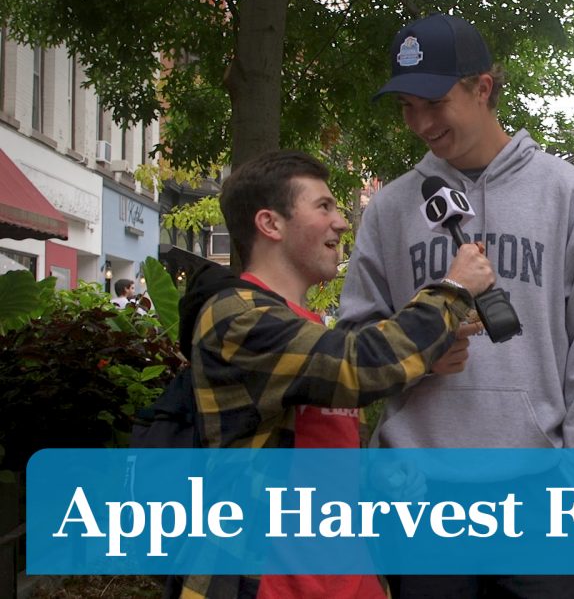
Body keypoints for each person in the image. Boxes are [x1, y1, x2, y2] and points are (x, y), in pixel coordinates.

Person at [338, 13, 574, 599]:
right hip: (421, 494)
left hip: (543, 492)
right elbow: (357, 342)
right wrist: (416, 347)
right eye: (406, 107)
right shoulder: (391, 208)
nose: (419, 122)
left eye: (433, 102)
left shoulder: (566, 194)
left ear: (483, 88)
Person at [178, 151, 495, 599]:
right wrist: (454, 290)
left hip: (345, 575)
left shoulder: (302, 324)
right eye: (323, 207)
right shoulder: (233, 315)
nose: (342, 222)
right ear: (271, 224)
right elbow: (357, 364)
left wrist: (373, 478)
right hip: (264, 578)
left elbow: (314, 448)